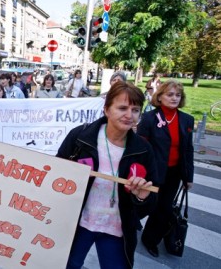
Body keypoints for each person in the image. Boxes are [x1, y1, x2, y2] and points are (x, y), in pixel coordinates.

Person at [57, 81, 158, 269]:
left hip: (117, 228)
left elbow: (149, 204)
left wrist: (141, 198)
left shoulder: (143, 150)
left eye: (135, 110)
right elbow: (57, 174)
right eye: (122, 108)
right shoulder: (80, 137)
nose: (129, 115)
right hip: (78, 223)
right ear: (106, 110)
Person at [138, 79, 194, 258]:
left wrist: (188, 177)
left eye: (178, 95)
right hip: (152, 172)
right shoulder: (149, 118)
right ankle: (127, 226)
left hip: (174, 174)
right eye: (170, 94)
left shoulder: (186, 119)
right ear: (160, 97)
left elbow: (188, 150)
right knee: (145, 205)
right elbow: (140, 147)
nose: (174, 98)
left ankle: (150, 240)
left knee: (164, 209)